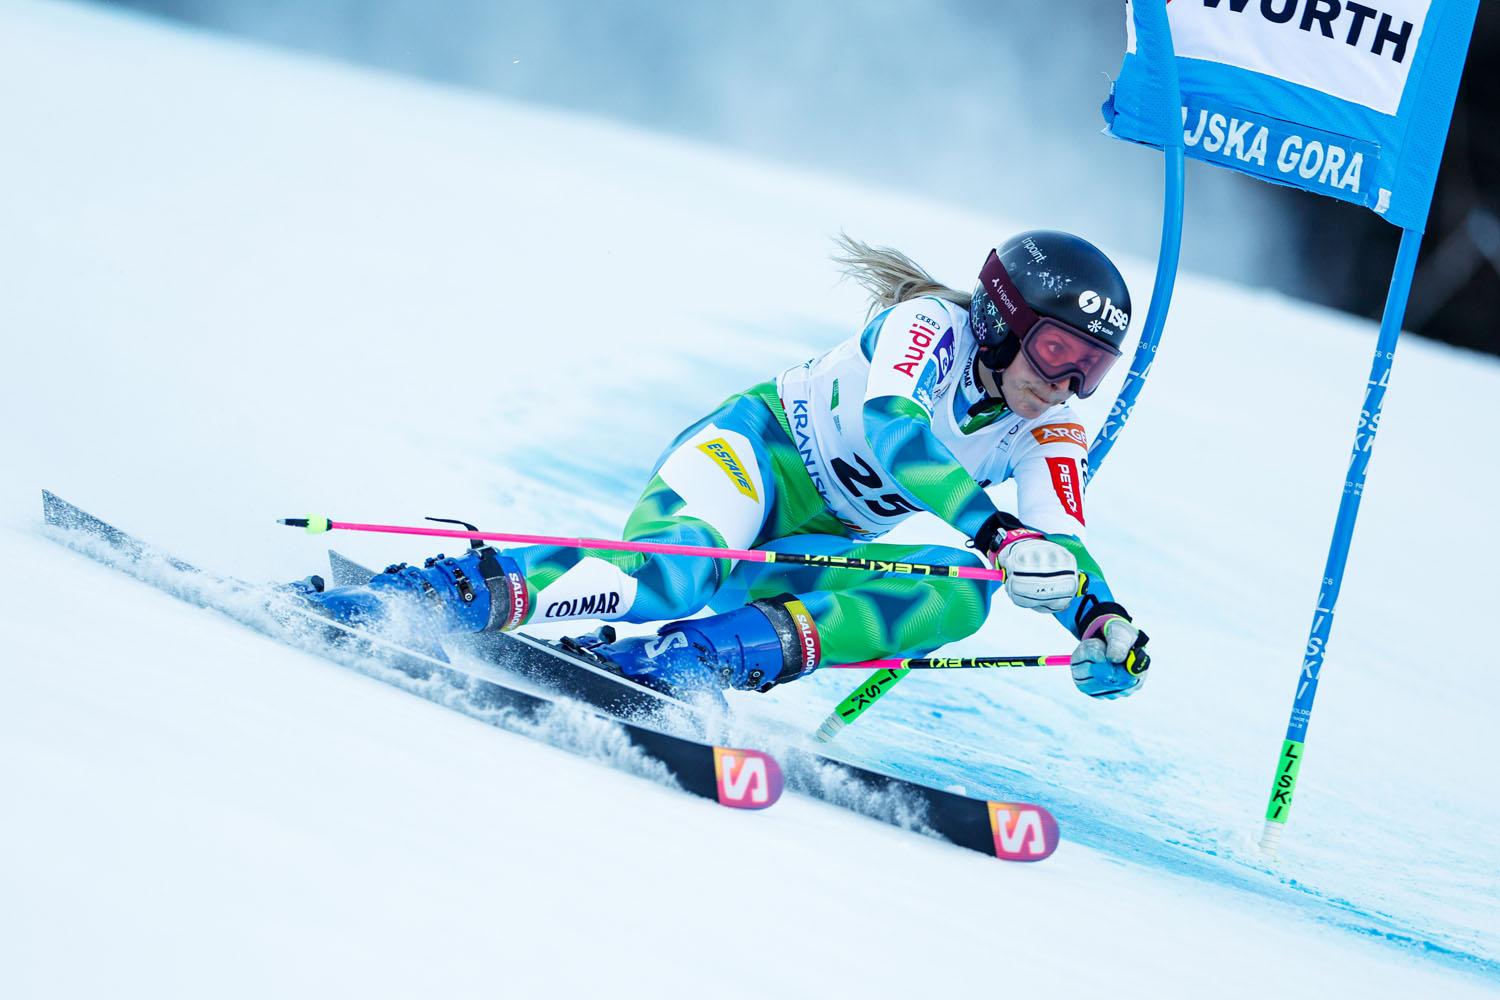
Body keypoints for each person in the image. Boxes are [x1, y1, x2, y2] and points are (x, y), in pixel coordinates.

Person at [297, 231, 1150, 702]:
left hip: (810, 546)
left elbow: (1059, 549)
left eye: (1092, 369)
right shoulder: (928, 327)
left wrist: (1100, 621)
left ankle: (693, 660)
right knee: (676, 574)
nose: (1067, 385)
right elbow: (895, 432)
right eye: (1057, 351)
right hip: (750, 461)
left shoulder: (1050, 425)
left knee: (965, 590)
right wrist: (1000, 532)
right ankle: (441, 595)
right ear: (1002, 319)